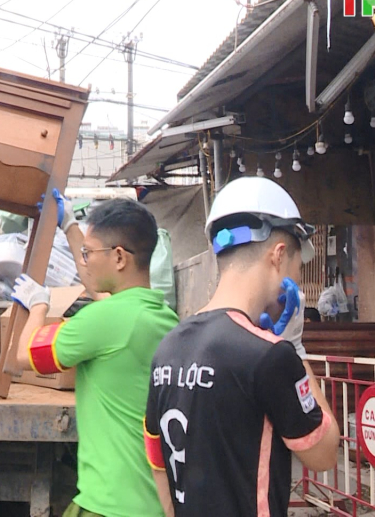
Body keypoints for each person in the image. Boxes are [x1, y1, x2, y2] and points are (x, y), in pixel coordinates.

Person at [144, 177, 340, 517]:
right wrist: (295, 347)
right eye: (297, 263)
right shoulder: (270, 355)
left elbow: (157, 457)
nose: (297, 272)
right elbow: (323, 454)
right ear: (279, 256)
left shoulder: (169, 346)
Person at [9, 195, 179, 517]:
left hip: (107, 505)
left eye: (89, 253)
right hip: (151, 503)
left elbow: (24, 354)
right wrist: (70, 226)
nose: (84, 261)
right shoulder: (162, 317)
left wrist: (39, 304)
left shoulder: (102, 321)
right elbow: (104, 298)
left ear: (118, 257)